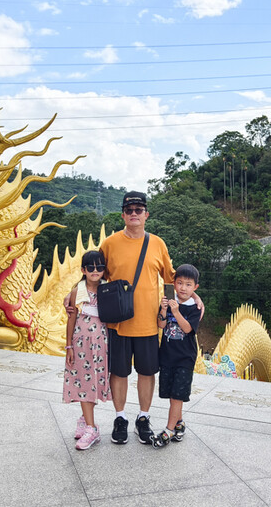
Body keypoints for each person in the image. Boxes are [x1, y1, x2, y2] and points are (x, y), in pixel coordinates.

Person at [92, 190, 203, 445]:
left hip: (149, 323)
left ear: (146, 214)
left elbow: (172, 278)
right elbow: (95, 275)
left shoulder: (157, 244)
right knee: (119, 373)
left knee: (146, 372)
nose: (134, 214)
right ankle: (120, 418)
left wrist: (194, 297)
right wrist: (75, 294)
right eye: (129, 210)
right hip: (118, 322)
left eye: (138, 210)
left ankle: (143, 417)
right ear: (123, 214)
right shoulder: (109, 244)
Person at [62, 249, 112, 450]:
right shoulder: (77, 291)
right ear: (83, 270)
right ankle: (92, 428)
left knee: (94, 381)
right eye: (90, 267)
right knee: (84, 382)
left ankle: (85, 418)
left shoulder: (108, 290)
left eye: (99, 267)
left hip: (101, 344)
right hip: (81, 343)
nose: (95, 270)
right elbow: (71, 319)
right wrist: (69, 346)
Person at [151, 264, 201, 448]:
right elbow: (161, 325)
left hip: (184, 359)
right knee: (172, 394)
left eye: (188, 285)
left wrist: (176, 311)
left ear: (195, 287)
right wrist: (164, 310)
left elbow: (188, 329)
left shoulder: (195, 307)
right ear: (174, 284)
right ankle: (179, 423)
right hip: (167, 356)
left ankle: (169, 430)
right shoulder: (168, 301)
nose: (183, 288)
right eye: (179, 283)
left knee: (177, 396)